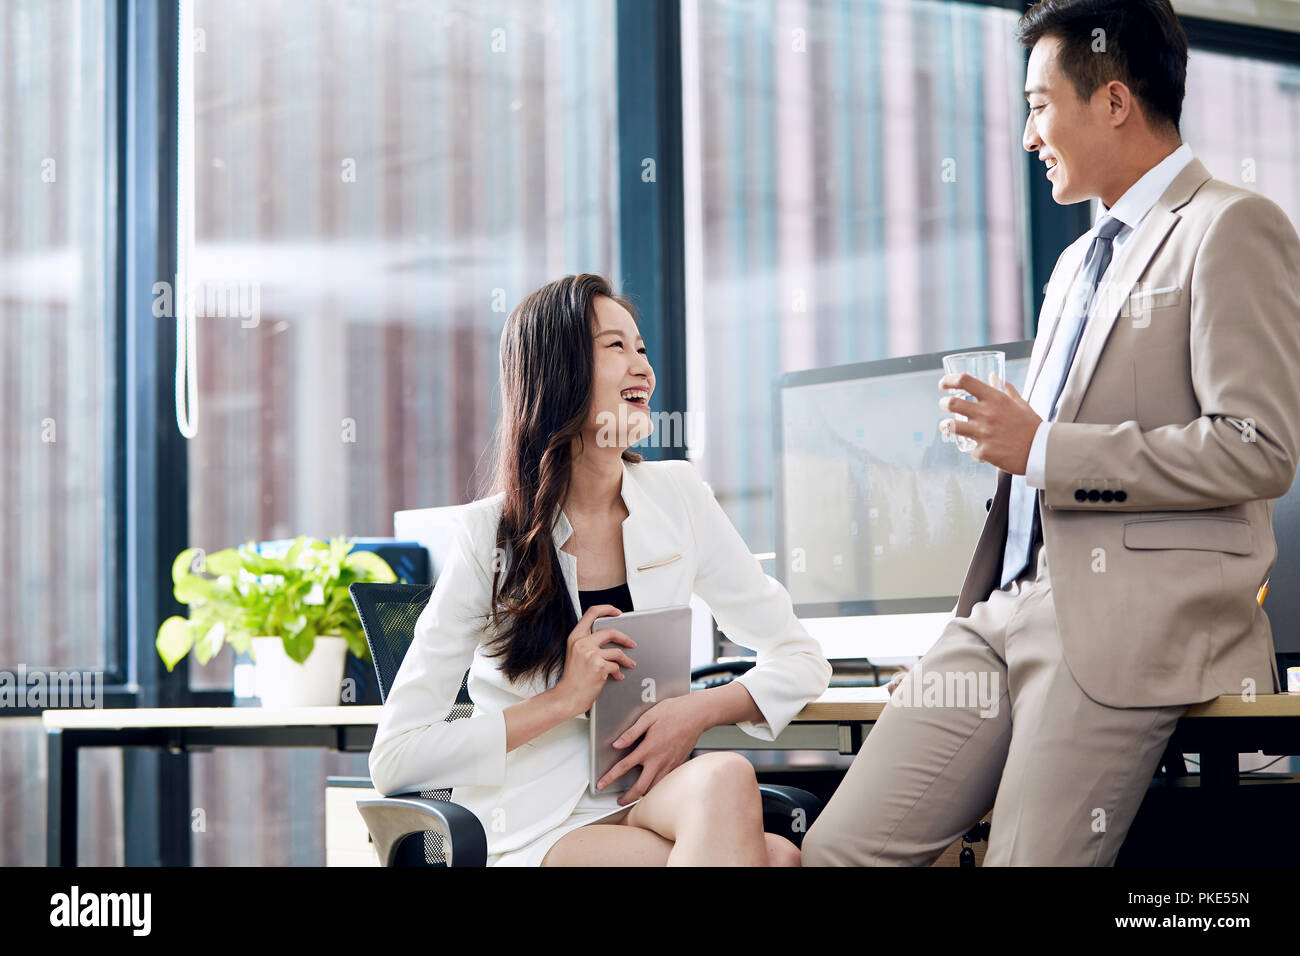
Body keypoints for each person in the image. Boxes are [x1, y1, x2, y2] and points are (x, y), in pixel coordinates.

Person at [803, 0, 1300, 866]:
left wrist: (1041, 449)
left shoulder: (1229, 226)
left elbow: (1257, 447)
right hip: (1002, 614)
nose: (1028, 132)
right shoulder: (1076, 262)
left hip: (1123, 622)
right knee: (840, 847)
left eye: (1038, 104)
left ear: (1112, 101)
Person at [369, 273, 832, 866]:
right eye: (616, 347)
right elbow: (397, 759)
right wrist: (564, 699)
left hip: (642, 787)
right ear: (558, 373)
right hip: (535, 819)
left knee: (726, 779)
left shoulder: (678, 495)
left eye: (641, 348)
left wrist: (696, 711)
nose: (643, 366)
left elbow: (800, 656)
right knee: (777, 859)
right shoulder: (489, 536)